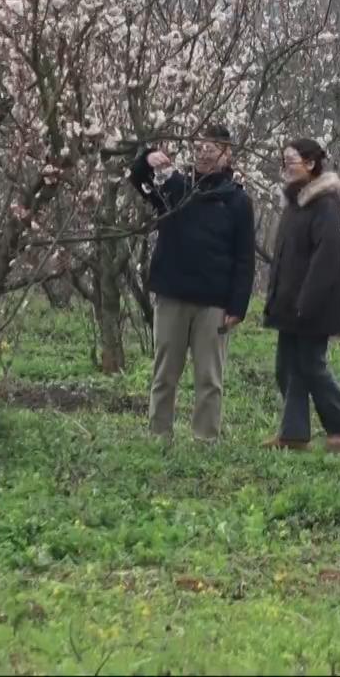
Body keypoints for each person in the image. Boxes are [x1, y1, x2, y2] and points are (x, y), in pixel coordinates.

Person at [130, 124, 256, 441]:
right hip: (172, 293)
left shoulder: (238, 202)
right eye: (198, 149)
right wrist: (148, 159)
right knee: (164, 374)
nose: (202, 155)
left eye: (210, 150)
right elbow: (138, 180)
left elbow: (245, 259)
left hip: (214, 302)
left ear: (227, 154)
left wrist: (237, 306)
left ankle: (205, 439)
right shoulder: (176, 188)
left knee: (209, 378)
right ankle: (159, 435)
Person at [261, 138, 340, 452]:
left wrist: (307, 301)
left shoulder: (325, 204)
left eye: (292, 161)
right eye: (285, 162)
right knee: (286, 367)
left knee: (311, 365)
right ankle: (293, 434)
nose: (287, 168)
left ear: (311, 164)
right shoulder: (296, 202)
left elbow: (326, 257)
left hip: (311, 303)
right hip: (289, 302)